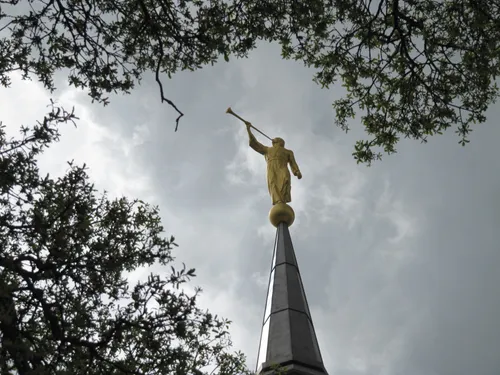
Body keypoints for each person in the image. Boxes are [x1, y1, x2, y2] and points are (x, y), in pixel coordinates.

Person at [245, 121, 302, 205]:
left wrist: (297, 171)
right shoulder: (267, 150)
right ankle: (278, 201)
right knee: (273, 183)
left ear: (280, 142)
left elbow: (293, 163)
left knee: (285, 179)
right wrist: (248, 130)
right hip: (271, 167)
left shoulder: (288, 151)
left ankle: (283, 200)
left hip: (282, 166)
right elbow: (254, 144)